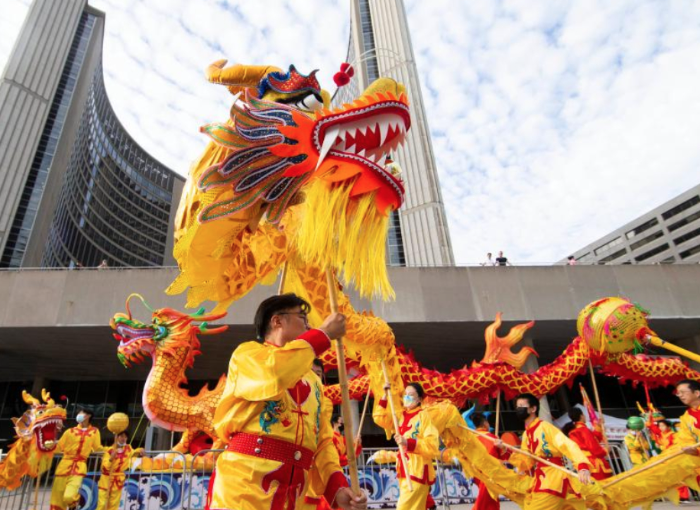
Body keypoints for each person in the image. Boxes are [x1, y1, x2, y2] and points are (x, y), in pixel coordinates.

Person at [210, 293, 366, 510]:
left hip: (297, 493)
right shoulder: (247, 355)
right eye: (302, 317)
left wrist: (337, 488)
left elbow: (322, 442)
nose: (309, 324)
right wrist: (323, 335)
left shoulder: (314, 381)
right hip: (246, 484)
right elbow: (274, 375)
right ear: (277, 320)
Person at [505, 393, 591, 510]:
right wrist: (506, 450)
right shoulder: (526, 434)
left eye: (521, 406)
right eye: (517, 406)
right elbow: (527, 462)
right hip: (540, 478)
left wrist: (582, 466)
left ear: (533, 409)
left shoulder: (546, 427)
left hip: (553, 478)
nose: (518, 409)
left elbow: (567, 444)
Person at [373, 382, 440, 510]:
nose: (407, 397)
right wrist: (384, 396)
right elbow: (379, 418)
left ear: (420, 399)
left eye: (411, 395)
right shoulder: (400, 416)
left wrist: (408, 443)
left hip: (418, 471)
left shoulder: (423, 416)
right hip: (404, 471)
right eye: (406, 394)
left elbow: (432, 445)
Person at [51, 406, 105, 510]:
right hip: (64, 467)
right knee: (57, 498)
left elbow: (98, 448)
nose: (79, 414)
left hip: (79, 467)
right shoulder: (70, 431)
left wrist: (110, 451)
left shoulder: (94, 431)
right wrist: (49, 441)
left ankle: (73, 506)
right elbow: (58, 447)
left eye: (81, 412)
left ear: (88, 415)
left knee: (69, 496)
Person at [96, 431, 142, 510]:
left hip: (118, 480)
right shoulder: (109, 450)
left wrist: (140, 450)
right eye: (121, 436)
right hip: (106, 479)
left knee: (114, 504)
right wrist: (111, 459)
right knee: (102, 504)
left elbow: (134, 452)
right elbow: (105, 466)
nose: (123, 439)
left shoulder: (128, 449)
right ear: (116, 437)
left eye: (125, 437)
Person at [565, 408, 612, 480]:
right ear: (581, 416)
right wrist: (605, 451)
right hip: (593, 463)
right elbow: (593, 446)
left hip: (584, 463)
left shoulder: (574, 431)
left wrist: (598, 426)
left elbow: (594, 439)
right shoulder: (583, 430)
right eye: (583, 414)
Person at [471, 412, 505, 510]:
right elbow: (503, 455)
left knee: (490, 500)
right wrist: (501, 447)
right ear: (485, 423)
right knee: (485, 500)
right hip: (490, 473)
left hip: (476, 472)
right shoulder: (491, 437)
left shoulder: (471, 437)